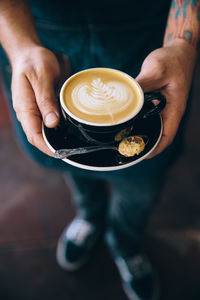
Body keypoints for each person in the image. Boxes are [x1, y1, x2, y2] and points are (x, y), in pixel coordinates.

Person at [0, 1, 199, 299]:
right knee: (70, 160)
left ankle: (125, 242)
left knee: (142, 183)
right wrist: (20, 47)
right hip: (44, 44)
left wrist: (181, 42)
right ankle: (91, 216)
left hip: (149, 44)